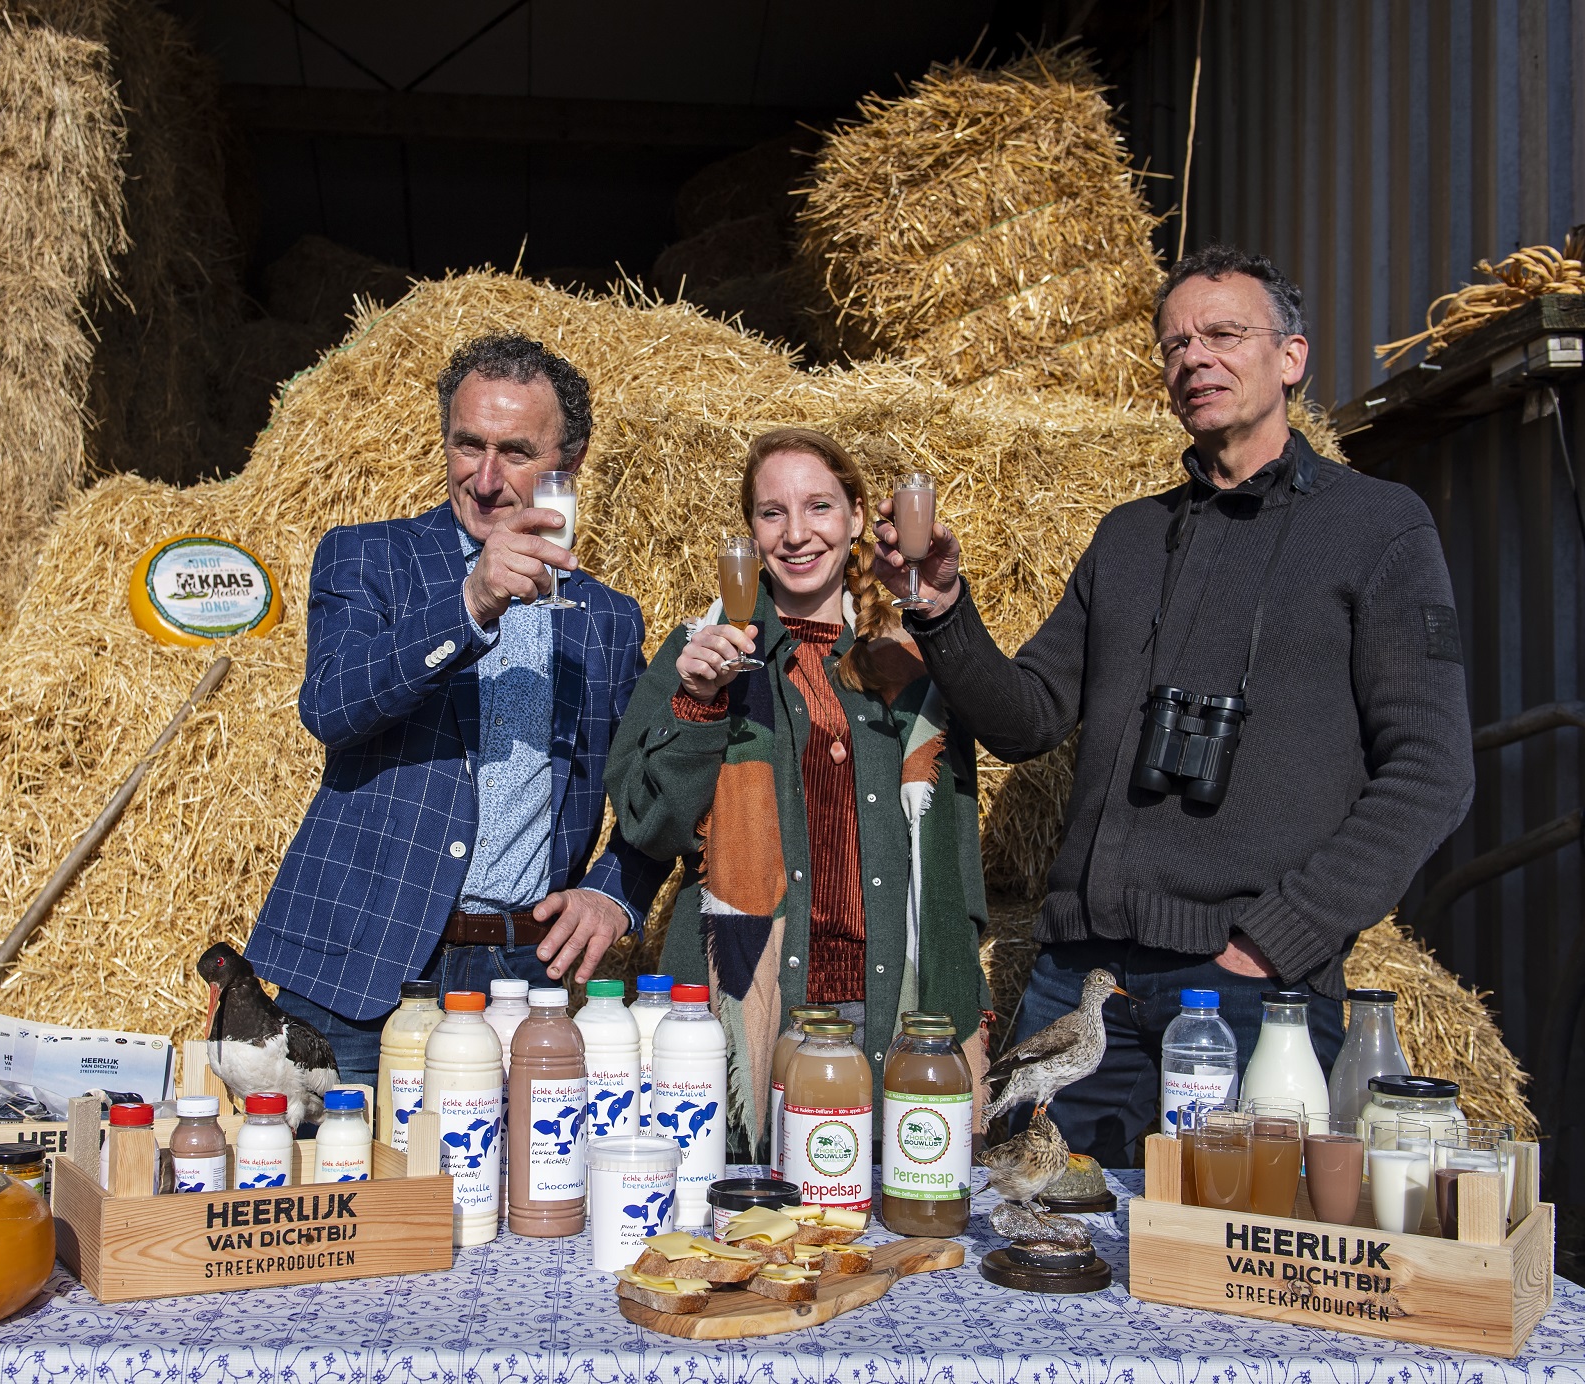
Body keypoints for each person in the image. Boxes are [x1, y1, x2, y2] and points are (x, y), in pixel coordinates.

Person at [874, 246, 1475, 1164]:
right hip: (1084, 987)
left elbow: (1432, 770)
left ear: (1291, 357)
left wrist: (1278, 940)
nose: (1194, 358)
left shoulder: (1379, 529)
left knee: (1223, 1266)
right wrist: (943, 611)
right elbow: (1026, 716)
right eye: (1174, 344)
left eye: (1224, 334)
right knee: (1038, 1241)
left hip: (1243, 987)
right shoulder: (1129, 537)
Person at [247, 331, 670, 1084]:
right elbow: (332, 706)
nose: (484, 477)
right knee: (345, 1191)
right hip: (358, 975)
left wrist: (615, 894)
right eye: (466, 444)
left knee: (514, 1199)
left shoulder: (605, 619)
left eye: (514, 451)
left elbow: (655, 785)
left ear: (566, 466)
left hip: (521, 980)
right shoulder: (371, 559)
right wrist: (471, 602)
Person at [607, 427, 991, 1167]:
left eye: (818, 506)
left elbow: (957, 844)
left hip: (900, 1004)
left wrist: (964, 979)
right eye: (770, 513)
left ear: (854, 517)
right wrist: (697, 705)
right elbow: (649, 822)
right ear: (749, 533)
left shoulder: (916, 658)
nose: (795, 533)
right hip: (755, 1001)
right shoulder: (701, 651)